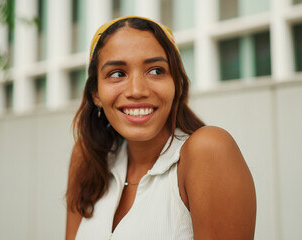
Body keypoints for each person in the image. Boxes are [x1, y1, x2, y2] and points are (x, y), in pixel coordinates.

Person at [65, 16, 256, 239]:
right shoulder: (87, 158)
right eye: (117, 73)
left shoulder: (208, 151)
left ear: (177, 84)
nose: (137, 90)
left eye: (155, 71)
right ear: (96, 93)